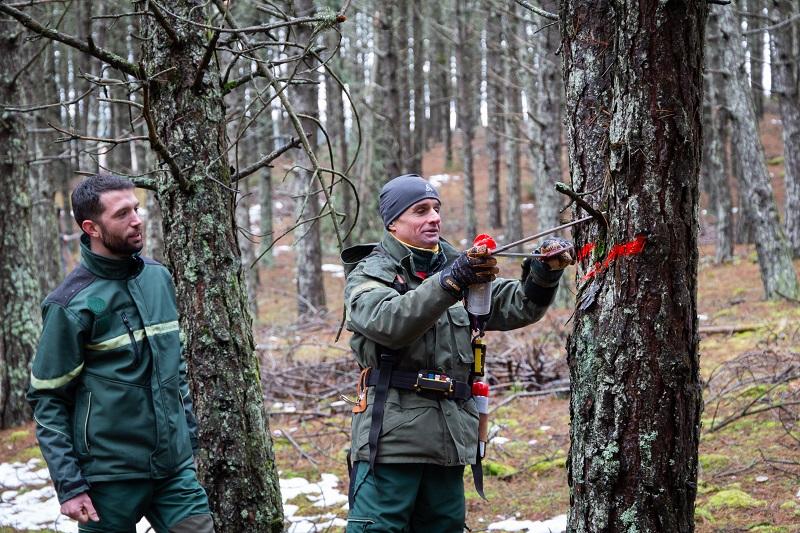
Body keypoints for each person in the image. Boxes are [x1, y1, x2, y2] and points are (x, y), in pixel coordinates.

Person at [341, 174, 576, 532]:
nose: (434, 217)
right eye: (420, 210)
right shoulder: (371, 272)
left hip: (451, 439)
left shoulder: (458, 266)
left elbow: (517, 305)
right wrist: (450, 282)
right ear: (393, 222)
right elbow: (387, 322)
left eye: (436, 209)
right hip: (390, 443)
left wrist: (543, 272)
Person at [28, 175, 214, 533]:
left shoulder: (159, 278)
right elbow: (47, 398)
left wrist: (187, 442)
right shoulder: (69, 305)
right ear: (91, 227)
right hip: (107, 481)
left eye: (137, 208)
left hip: (174, 473)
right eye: (122, 213)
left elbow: (174, 369)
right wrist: (69, 485)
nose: (136, 220)